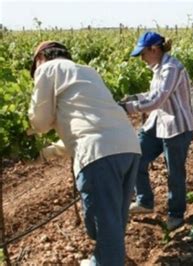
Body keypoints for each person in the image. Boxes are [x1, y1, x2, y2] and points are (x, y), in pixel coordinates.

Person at [28, 41, 141, 266]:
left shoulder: (47, 69)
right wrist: (47, 153)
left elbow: (39, 122)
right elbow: (85, 127)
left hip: (99, 155)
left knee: (105, 226)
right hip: (129, 147)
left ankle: (105, 262)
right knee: (113, 223)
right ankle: (104, 259)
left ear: (40, 58)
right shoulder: (87, 71)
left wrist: (23, 133)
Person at [119, 32, 193, 231]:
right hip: (157, 124)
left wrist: (127, 109)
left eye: (143, 54)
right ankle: (144, 201)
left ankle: (176, 214)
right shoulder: (158, 68)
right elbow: (152, 94)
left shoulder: (171, 68)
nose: (141, 59)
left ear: (154, 49)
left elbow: (157, 100)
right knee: (135, 157)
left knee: (174, 173)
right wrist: (132, 98)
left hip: (176, 127)